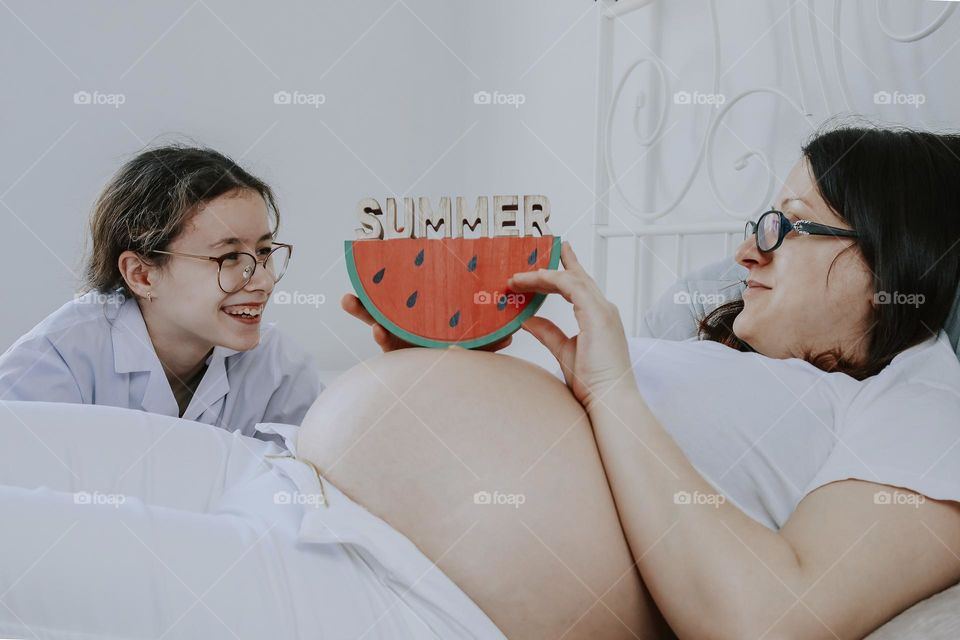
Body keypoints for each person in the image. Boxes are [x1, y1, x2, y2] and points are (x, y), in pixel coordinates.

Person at [311, 125, 960, 638]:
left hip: (411, 602)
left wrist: (611, 391)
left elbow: (771, 623)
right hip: (330, 527)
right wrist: (431, 364)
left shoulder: (926, 407)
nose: (745, 253)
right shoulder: (742, 362)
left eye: (787, 226)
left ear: (893, 253)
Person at [0, 145, 323, 438]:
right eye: (229, 257)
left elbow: (322, 483)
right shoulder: (55, 361)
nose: (263, 281)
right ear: (141, 275)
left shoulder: (280, 366)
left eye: (264, 252)